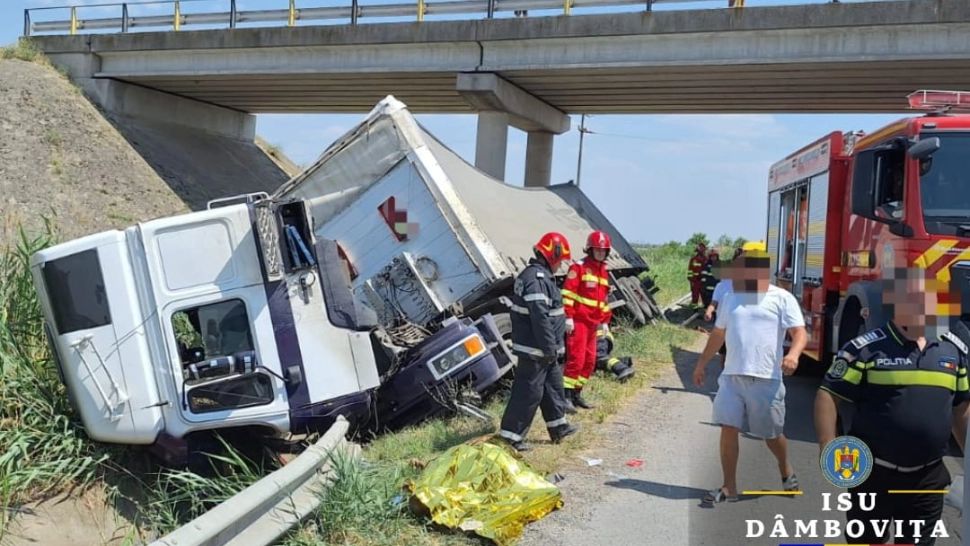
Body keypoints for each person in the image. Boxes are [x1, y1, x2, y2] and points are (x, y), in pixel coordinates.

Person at [814, 266, 970, 546]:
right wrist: (828, 444)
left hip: (928, 477)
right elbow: (829, 394)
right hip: (874, 474)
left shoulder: (951, 352)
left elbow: (961, 408)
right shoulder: (864, 349)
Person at [692, 245, 807, 504]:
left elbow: (799, 332)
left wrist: (793, 355)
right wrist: (701, 364)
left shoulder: (782, 298)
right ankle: (729, 486)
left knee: (771, 434)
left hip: (766, 378)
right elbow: (718, 333)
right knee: (728, 427)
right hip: (731, 377)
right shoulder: (731, 297)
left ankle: (785, 468)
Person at [497, 232, 579, 452]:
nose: (561, 265)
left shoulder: (539, 276)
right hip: (536, 348)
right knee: (528, 392)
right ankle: (511, 436)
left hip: (544, 348)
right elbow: (540, 317)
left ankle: (558, 426)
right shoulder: (536, 279)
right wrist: (549, 347)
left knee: (553, 387)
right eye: (560, 260)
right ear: (553, 255)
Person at [561, 231, 614, 411]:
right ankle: (566, 397)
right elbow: (568, 294)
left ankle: (577, 394)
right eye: (597, 250)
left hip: (593, 324)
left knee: (590, 361)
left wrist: (605, 321)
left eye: (603, 250)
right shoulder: (578, 268)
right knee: (576, 359)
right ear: (590, 250)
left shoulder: (603, 271)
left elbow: (603, 300)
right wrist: (568, 317)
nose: (600, 253)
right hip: (578, 322)